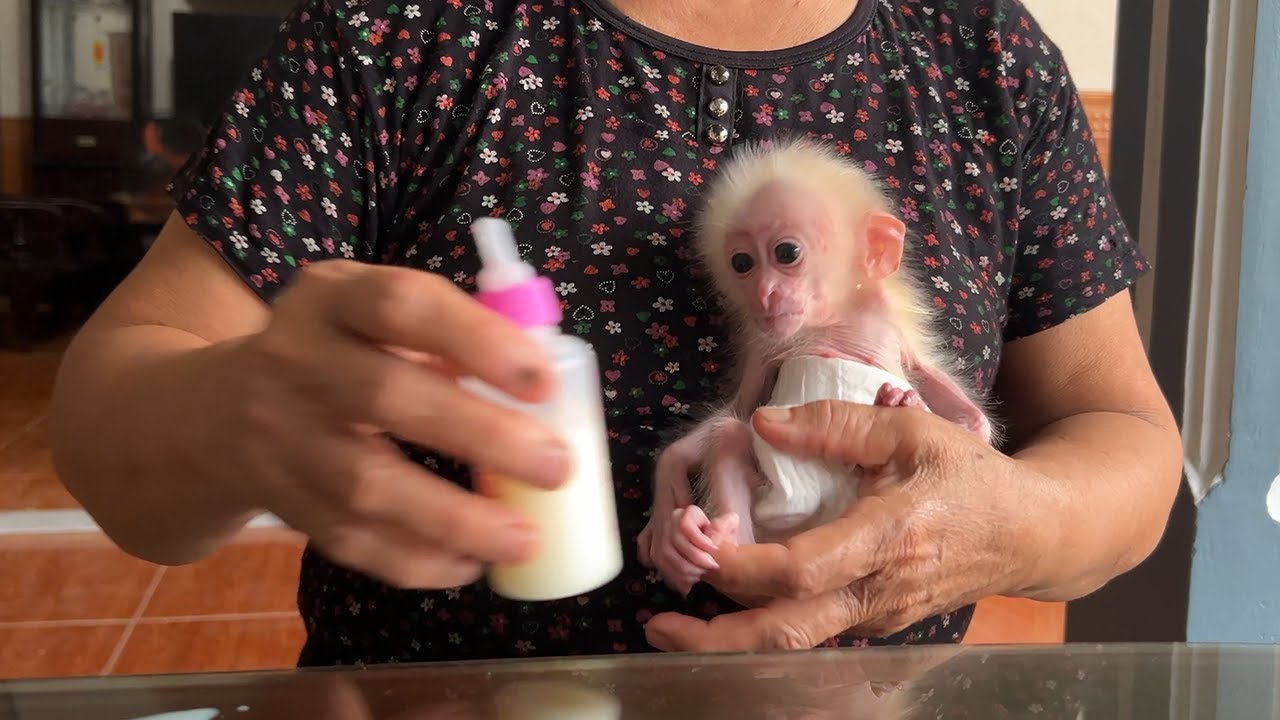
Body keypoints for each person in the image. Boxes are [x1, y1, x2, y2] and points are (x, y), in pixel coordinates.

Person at [48, 0, 1182, 664]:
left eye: (787, 260)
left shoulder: (976, 56)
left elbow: (1120, 435)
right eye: (751, 265)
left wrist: (1003, 521)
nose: (769, 289)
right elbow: (111, 410)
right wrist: (235, 414)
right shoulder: (399, 36)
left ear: (871, 249)